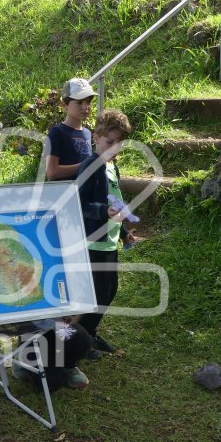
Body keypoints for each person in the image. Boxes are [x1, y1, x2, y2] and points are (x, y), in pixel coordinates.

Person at [76, 108, 138, 356]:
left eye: (119, 143)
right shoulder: (90, 166)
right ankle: (82, 340)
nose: (115, 148)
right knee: (97, 294)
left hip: (109, 242)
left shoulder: (112, 167)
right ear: (96, 138)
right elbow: (79, 205)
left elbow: (116, 203)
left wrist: (123, 232)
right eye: (110, 142)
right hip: (93, 244)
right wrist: (103, 211)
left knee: (109, 291)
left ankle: (88, 334)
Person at [44, 78, 96, 182]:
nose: (85, 107)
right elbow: (51, 172)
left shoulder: (87, 133)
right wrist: (86, 165)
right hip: (64, 195)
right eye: (79, 102)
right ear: (64, 105)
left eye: (88, 102)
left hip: (85, 194)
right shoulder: (57, 133)